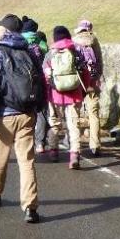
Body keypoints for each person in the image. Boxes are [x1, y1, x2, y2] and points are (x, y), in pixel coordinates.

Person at [0, 13, 43, 224]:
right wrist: (39, 108)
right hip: (27, 114)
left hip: (3, 115)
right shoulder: (31, 52)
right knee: (27, 162)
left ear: (5, 31)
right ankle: (30, 208)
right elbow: (42, 82)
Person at [43, 26, 85, 169]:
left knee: (55, 123)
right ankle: (74, 155)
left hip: (55, 94)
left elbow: (45, 76)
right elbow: (83, 72)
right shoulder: (76, 50)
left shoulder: (50, 53)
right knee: (74, 125)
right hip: (74, 93)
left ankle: (53, 150)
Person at [72, 19, 104, 157]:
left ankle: (76, 147)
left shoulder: (74, 42)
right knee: (94, 113)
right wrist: (96, 79)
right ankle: (95, 145)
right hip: (92, 83)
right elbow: (100, 63)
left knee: (75, 113)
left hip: (78, 82)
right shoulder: (94, 41)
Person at [21, 17, 50, 155]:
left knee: (23, 110)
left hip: (22, 82)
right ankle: (40, 144)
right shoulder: (42, 43)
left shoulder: (18, 42)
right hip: (40, 81)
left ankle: (25, 141)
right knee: (42, 111)